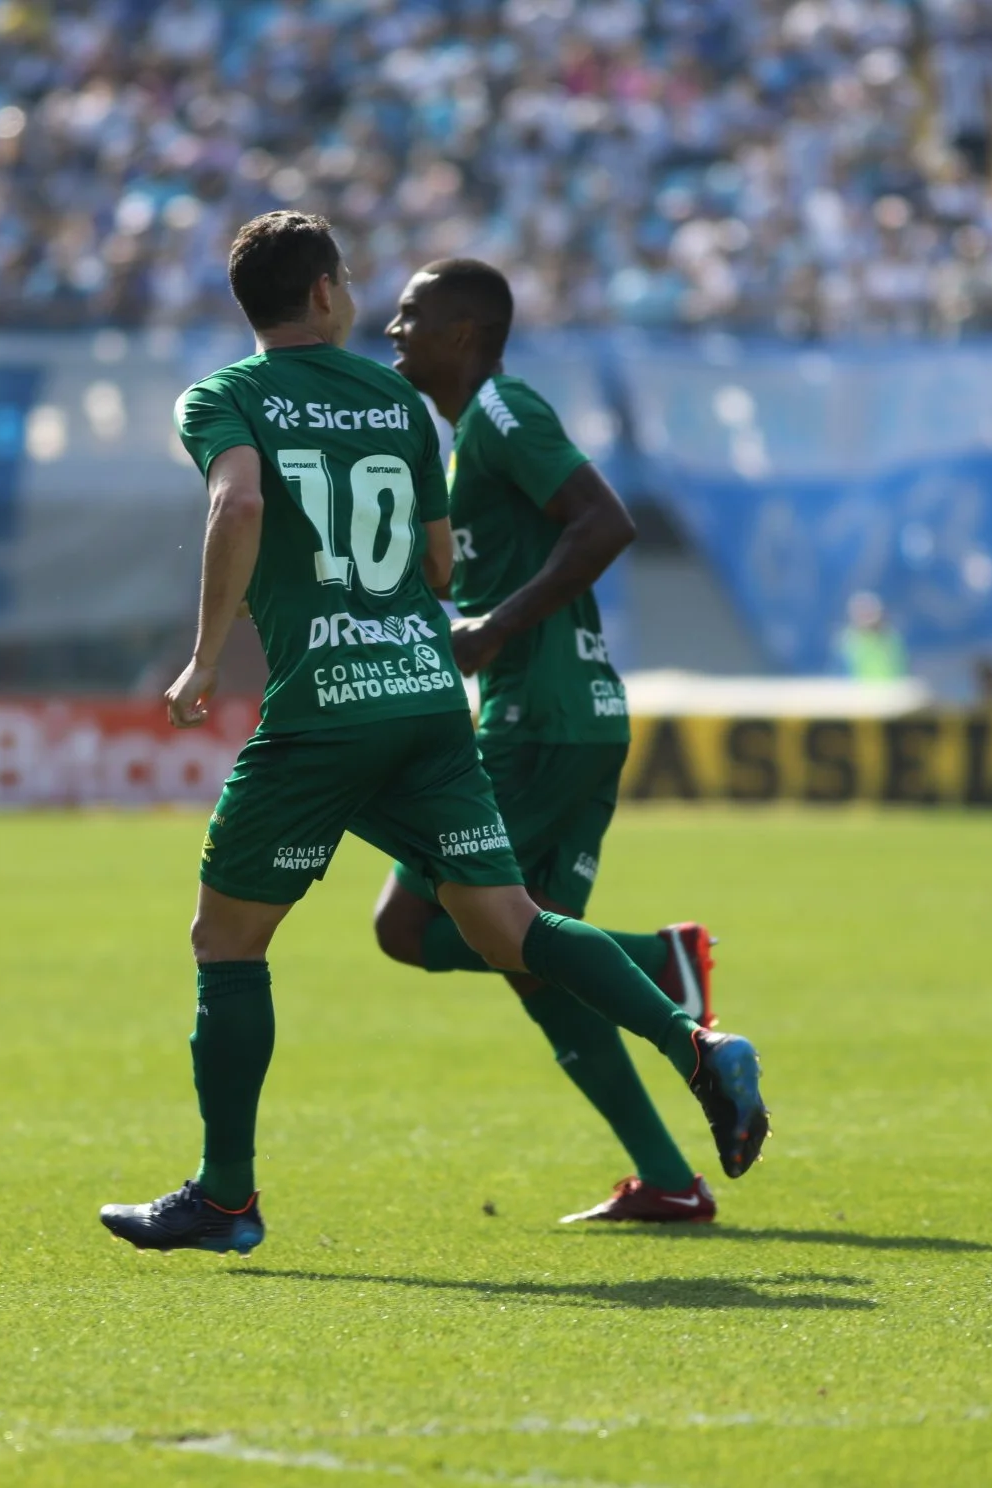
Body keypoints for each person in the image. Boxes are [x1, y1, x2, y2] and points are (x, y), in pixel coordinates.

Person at [100, 213, 770, 1255]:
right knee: (510, 925)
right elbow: (444, 566)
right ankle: (693, 1045)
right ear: (325, 292)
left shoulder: (224, 397)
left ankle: (226, 1197)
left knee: (227, 941)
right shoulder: (397, 403)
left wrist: (204, 652)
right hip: (424, 701)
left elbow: (237, 509)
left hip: (325, 710)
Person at [368, 258, 726, 1226]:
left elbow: (606, 522)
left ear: (467, 333)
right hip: (570, 720)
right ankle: (670, 1179)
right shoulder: (463, 444)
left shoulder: (502, 413)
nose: (393, 327)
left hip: (538, 719)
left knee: (407, 925)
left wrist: (496, 630)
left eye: (414, 314)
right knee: (540, 967)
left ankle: (659, 965)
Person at [838, 590, 909, 681]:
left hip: (889, 692)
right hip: (856, 693)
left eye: (870, 611)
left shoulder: (892, 640)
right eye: (862, 611)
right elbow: (839, 676)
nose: (867, 616)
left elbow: (900, 670)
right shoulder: (846, 643)